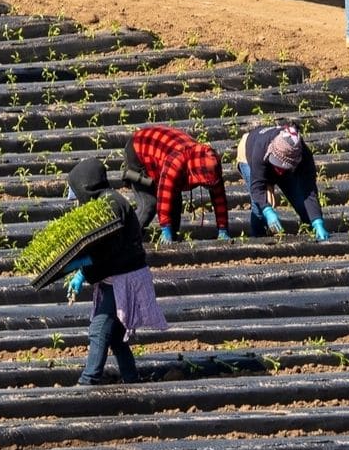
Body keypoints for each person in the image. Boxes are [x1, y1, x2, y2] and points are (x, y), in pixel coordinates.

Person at [64, 158, 168, 385]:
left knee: (99, 329)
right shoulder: (107, 201)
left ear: (85, 185)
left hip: (123, 278)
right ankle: (131, 378)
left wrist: (82, 269)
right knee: (116, 338)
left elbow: (107, 250)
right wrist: (82, 270)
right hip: (118, 275)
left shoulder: (111, 205)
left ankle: (88, 380)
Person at [120, 125, 229, 242]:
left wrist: (223, 228)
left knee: (175, 203)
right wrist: (165, 227)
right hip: (139, 150)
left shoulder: (211, 163)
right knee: (149, 204)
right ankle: (127, 243)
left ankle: (172, 240)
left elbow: (219, 198)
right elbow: (164, 193)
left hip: (162, 152)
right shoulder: (176, 162)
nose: (208, 187)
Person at [237, 124, 328, 241]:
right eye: (277, 166)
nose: (279, 172)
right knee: (259, 207)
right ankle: (257, 239)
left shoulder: (302, 155)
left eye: (282, 168)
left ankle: (314, 229)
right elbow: (257, 188)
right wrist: (267, 210)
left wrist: (317, 220)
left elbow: (308, 189)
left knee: (300, 200)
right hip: (249, 152)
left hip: (285, 163)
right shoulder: (261, 149)